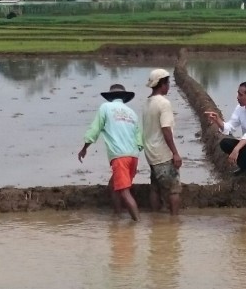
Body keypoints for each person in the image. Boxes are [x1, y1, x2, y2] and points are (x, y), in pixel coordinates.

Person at [78, 83, 142, 221]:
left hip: (120, 157)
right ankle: (117, 215)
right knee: (113, 186)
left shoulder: (105, 108)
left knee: (124, 192)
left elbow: (95, 129)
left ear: (110, 97)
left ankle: (137, 223)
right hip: (133, 156)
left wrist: (84, 148)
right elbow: (139, 139)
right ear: (124, 98)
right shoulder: (132, 113)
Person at [142, 68, 183, 215]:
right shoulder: (164, 103)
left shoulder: (147, 103)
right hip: (163, 154)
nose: (169, 86)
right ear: (163, 84)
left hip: (151, 153)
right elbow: (166, 129)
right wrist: (175, 153)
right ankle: (174, 221)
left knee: (155, 187)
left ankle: (155, 219)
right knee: (173, 189)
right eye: (168, 83)